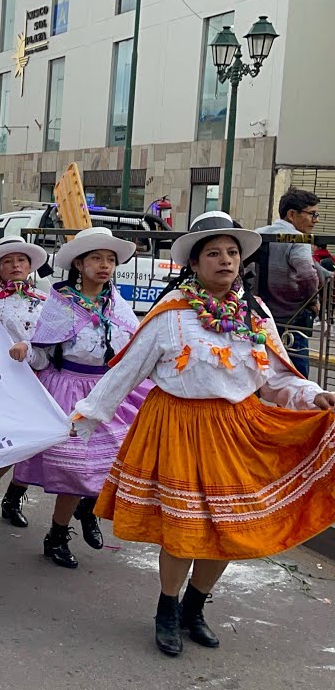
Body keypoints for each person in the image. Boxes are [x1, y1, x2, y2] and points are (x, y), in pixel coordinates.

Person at [74, 211, 335, 657]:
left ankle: (195, 607)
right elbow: (127, 371)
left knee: (229, 528)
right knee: (184, 531)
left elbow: (274, 377)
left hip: (238, 430)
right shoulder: (170, 314)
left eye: (232, 253)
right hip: (178, 427)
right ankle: (167, 610)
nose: (225, 260)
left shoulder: (255, 313)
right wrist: (86, 418)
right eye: (213, 253)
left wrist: (313, 396)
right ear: (193, 264)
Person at [12, 227, 152, 570]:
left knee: (114, 461)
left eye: (110, 259)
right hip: (70, 391)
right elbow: (45, 352)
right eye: (96, 258)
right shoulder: (61, 303)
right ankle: (57, 535)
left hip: (108, 390)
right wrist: (26, 351)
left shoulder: (116, 303)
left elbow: (132, 348)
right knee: (72, 468)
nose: (104, 265)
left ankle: (89, 511)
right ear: (79, 263)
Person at [0, 236, 49, 527]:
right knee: (10, 442)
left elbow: (50, 339)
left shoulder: (44, 299)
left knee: (35, 443)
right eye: (8, 262)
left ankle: (13, 498)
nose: (16, 266)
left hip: (39, 377)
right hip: (1, 380)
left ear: (29, 266)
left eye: (21, 261)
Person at [254, 187, 325, 376]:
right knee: (297, 376)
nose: (315, 220)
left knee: (259, 373)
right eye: (312, 214)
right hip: (292, 321)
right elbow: (307, 276)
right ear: (292, 214)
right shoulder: (298, 239)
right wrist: (312, 302)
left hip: (258, 318)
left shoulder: (258, 235)